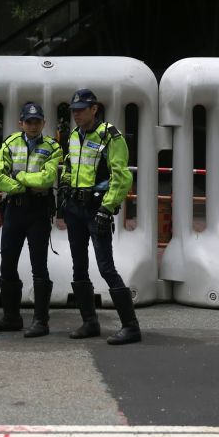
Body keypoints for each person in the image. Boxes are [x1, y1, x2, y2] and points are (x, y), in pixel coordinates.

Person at [60, 88, 140, 345]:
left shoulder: (110, 136)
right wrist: (64, 188)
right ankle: (89, 322)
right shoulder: (73, 135)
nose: (77, 115)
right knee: (78, 266)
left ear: (95, 109)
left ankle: (131, 326)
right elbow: (69, 166)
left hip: (97, 208)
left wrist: (108, 208)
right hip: (75, 208)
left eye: (82, 110)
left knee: (106, 267)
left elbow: (121, 175)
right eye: (74, 111)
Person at [0, 102, 63, 338]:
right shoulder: (10, 143)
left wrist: (18, 175)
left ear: (43, 123)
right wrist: (20, 186)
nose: (32, 125)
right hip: (14, 211)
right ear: (21, 123)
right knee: (7, 263)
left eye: (37, 121)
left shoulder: (52, 147)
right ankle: (11, 317)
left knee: (39, 265)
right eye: (28, 122)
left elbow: (47, 179)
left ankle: (41, 321)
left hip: (38, 212)